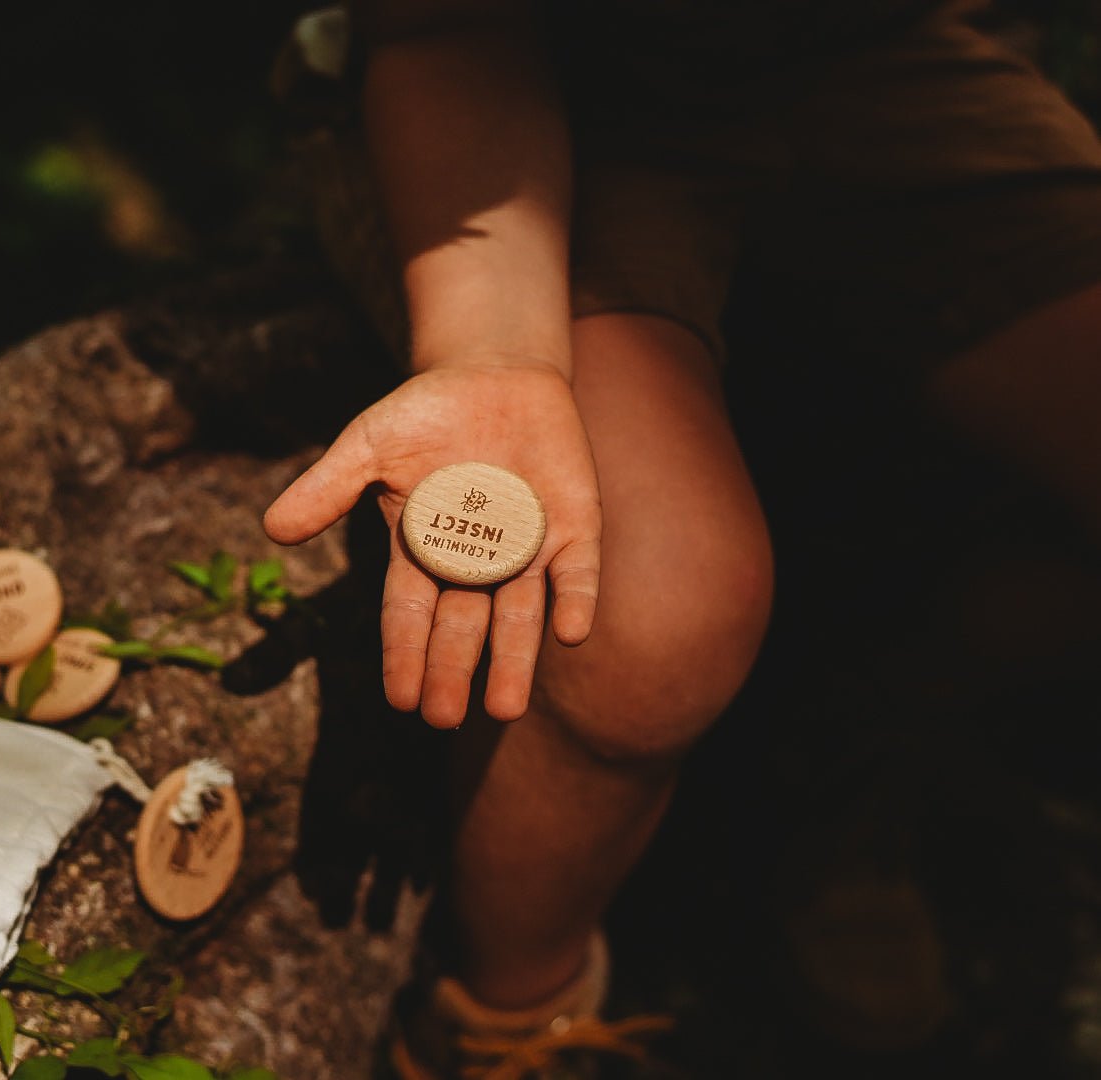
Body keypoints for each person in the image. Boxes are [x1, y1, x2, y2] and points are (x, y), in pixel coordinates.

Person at [261, 0, 1101, 1076]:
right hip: (510, 81)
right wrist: (495, 355)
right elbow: (440, 31)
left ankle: (847, 748)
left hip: (870, 55)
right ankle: (512, 1019)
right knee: (642, 615)